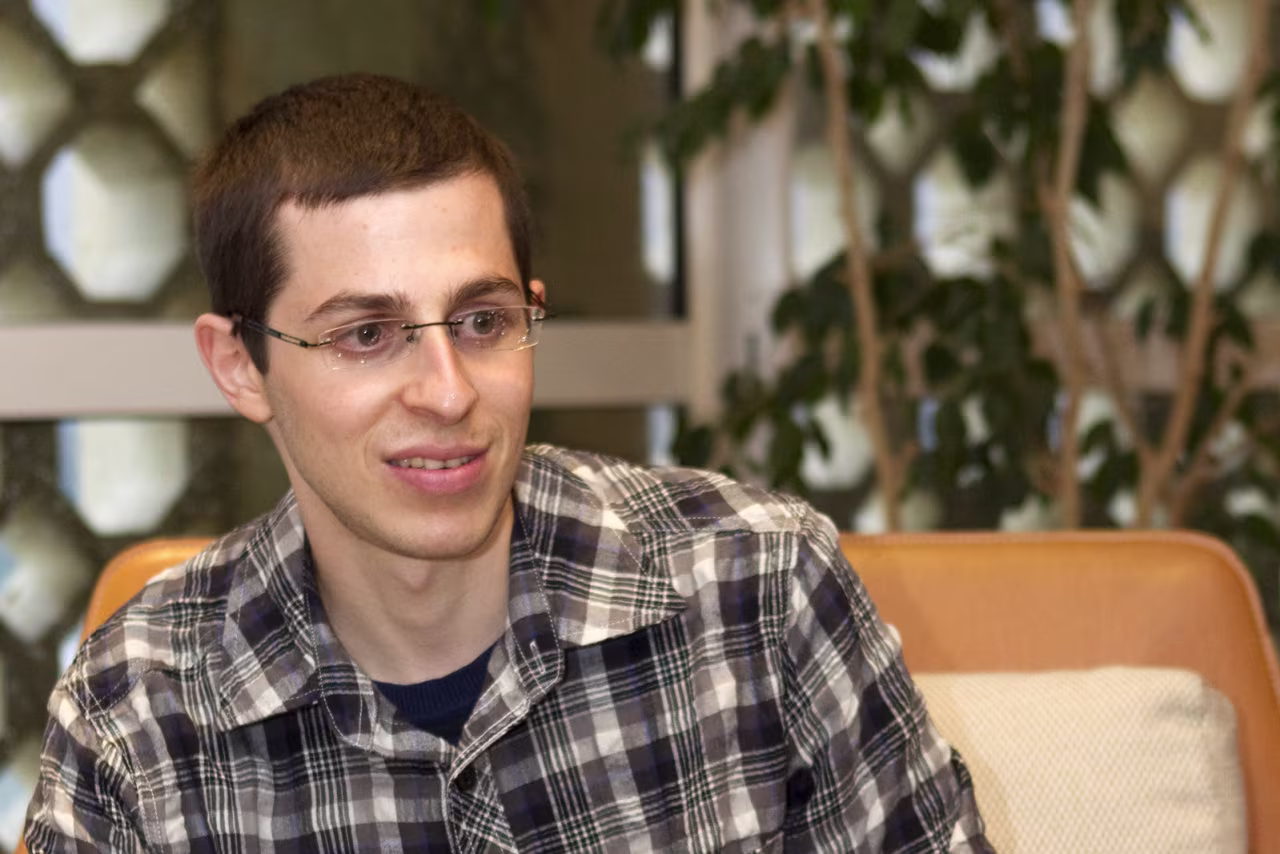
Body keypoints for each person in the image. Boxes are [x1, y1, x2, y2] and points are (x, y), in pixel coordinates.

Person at [24, 73, 990, 852]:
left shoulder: (758, 584)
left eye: (483, 322)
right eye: (367, 334)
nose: (449, 393)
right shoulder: (136, 714)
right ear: (242, 366)